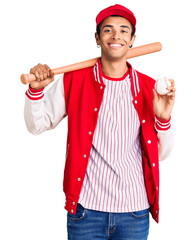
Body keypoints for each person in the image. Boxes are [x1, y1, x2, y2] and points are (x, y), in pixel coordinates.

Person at [24, 4, 176, 240]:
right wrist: (36, 90)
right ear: (97, 37)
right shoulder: (73, 80)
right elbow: (36, 125)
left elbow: (161, 154)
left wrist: (164, 119)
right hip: (86, 212)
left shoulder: (147, 87)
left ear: (133, 39)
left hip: (134, 212)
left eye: (124, 31)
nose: (116, 36)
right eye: (108, 30)